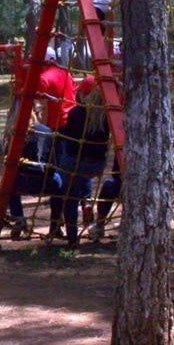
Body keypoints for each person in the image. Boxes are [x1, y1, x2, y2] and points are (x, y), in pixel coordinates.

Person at [87, 104, 174, 242]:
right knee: (138, 184)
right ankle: (135, 222)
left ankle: (104, 226)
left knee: (116, 186)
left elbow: (118, 174)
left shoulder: (171, 138)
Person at [55, 87, 110, 247]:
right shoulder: (105, 115)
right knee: (83, 177)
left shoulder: (76, 113)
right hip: (96, 165)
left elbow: (69, 136)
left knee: (69, 194)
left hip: (75, 162)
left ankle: (72, 237)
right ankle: (86, 202)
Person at [8, 103, 64, 240]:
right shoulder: (48, 131)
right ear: (38, 114)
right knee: (60, 183)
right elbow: (54, 161)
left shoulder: (16, 133)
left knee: (8, 184)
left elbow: (9, 162)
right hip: (46, 181)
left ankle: (18, 217)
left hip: (23, 182)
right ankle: (55, 223)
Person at [37, 47, 75, 131]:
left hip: (56, 125)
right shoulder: (66, 73)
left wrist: (43, 132)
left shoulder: (43, 78)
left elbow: (44, 109)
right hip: (72, 119)